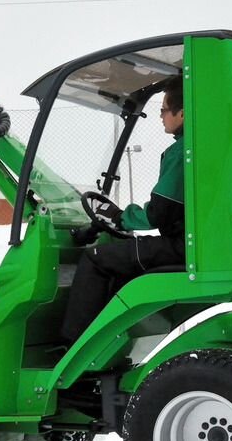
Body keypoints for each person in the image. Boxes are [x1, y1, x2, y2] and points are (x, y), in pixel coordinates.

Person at [60, 80, 185, 344]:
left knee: (96, 258)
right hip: (190, 242)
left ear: (182, 113)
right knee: (122, 259)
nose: (160, 116)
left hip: (180, 246)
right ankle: (110, 341)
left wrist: (120, 217)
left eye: (164, 110)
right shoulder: (202, 148)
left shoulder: (182, 152)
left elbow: (158, 213)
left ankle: (73, 346)